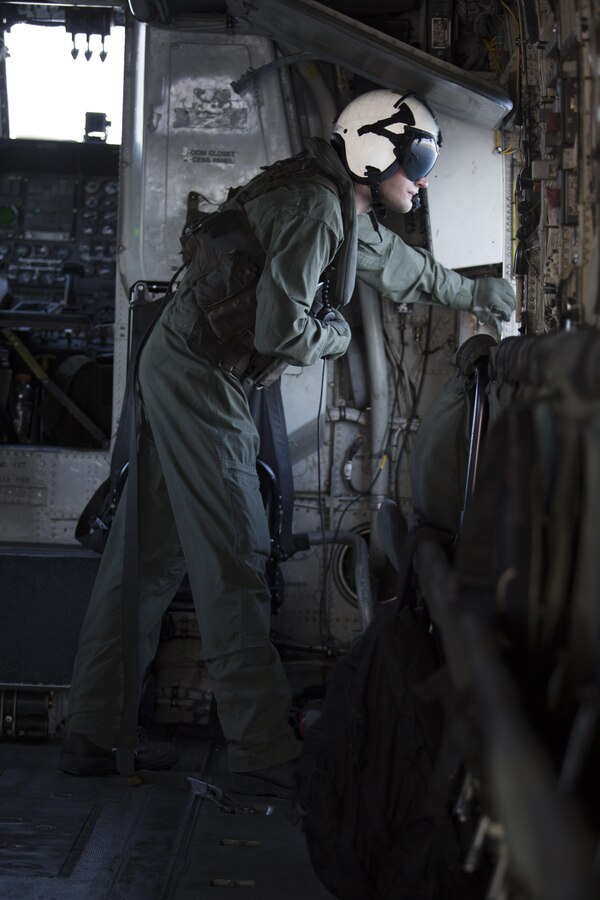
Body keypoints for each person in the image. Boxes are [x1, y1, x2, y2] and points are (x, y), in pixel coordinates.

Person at [60, 89, 515, 795]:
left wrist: (476, 295)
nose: (424, 177)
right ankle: (264, 748)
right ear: (373, 152)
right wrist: (335, 335)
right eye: (418, 159)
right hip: (204, 380)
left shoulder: (331, 200)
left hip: (184, 366)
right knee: (237, 555)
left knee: (147, 558)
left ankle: (92, 730)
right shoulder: (314, 210)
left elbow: (396, 265)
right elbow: (283, 331)